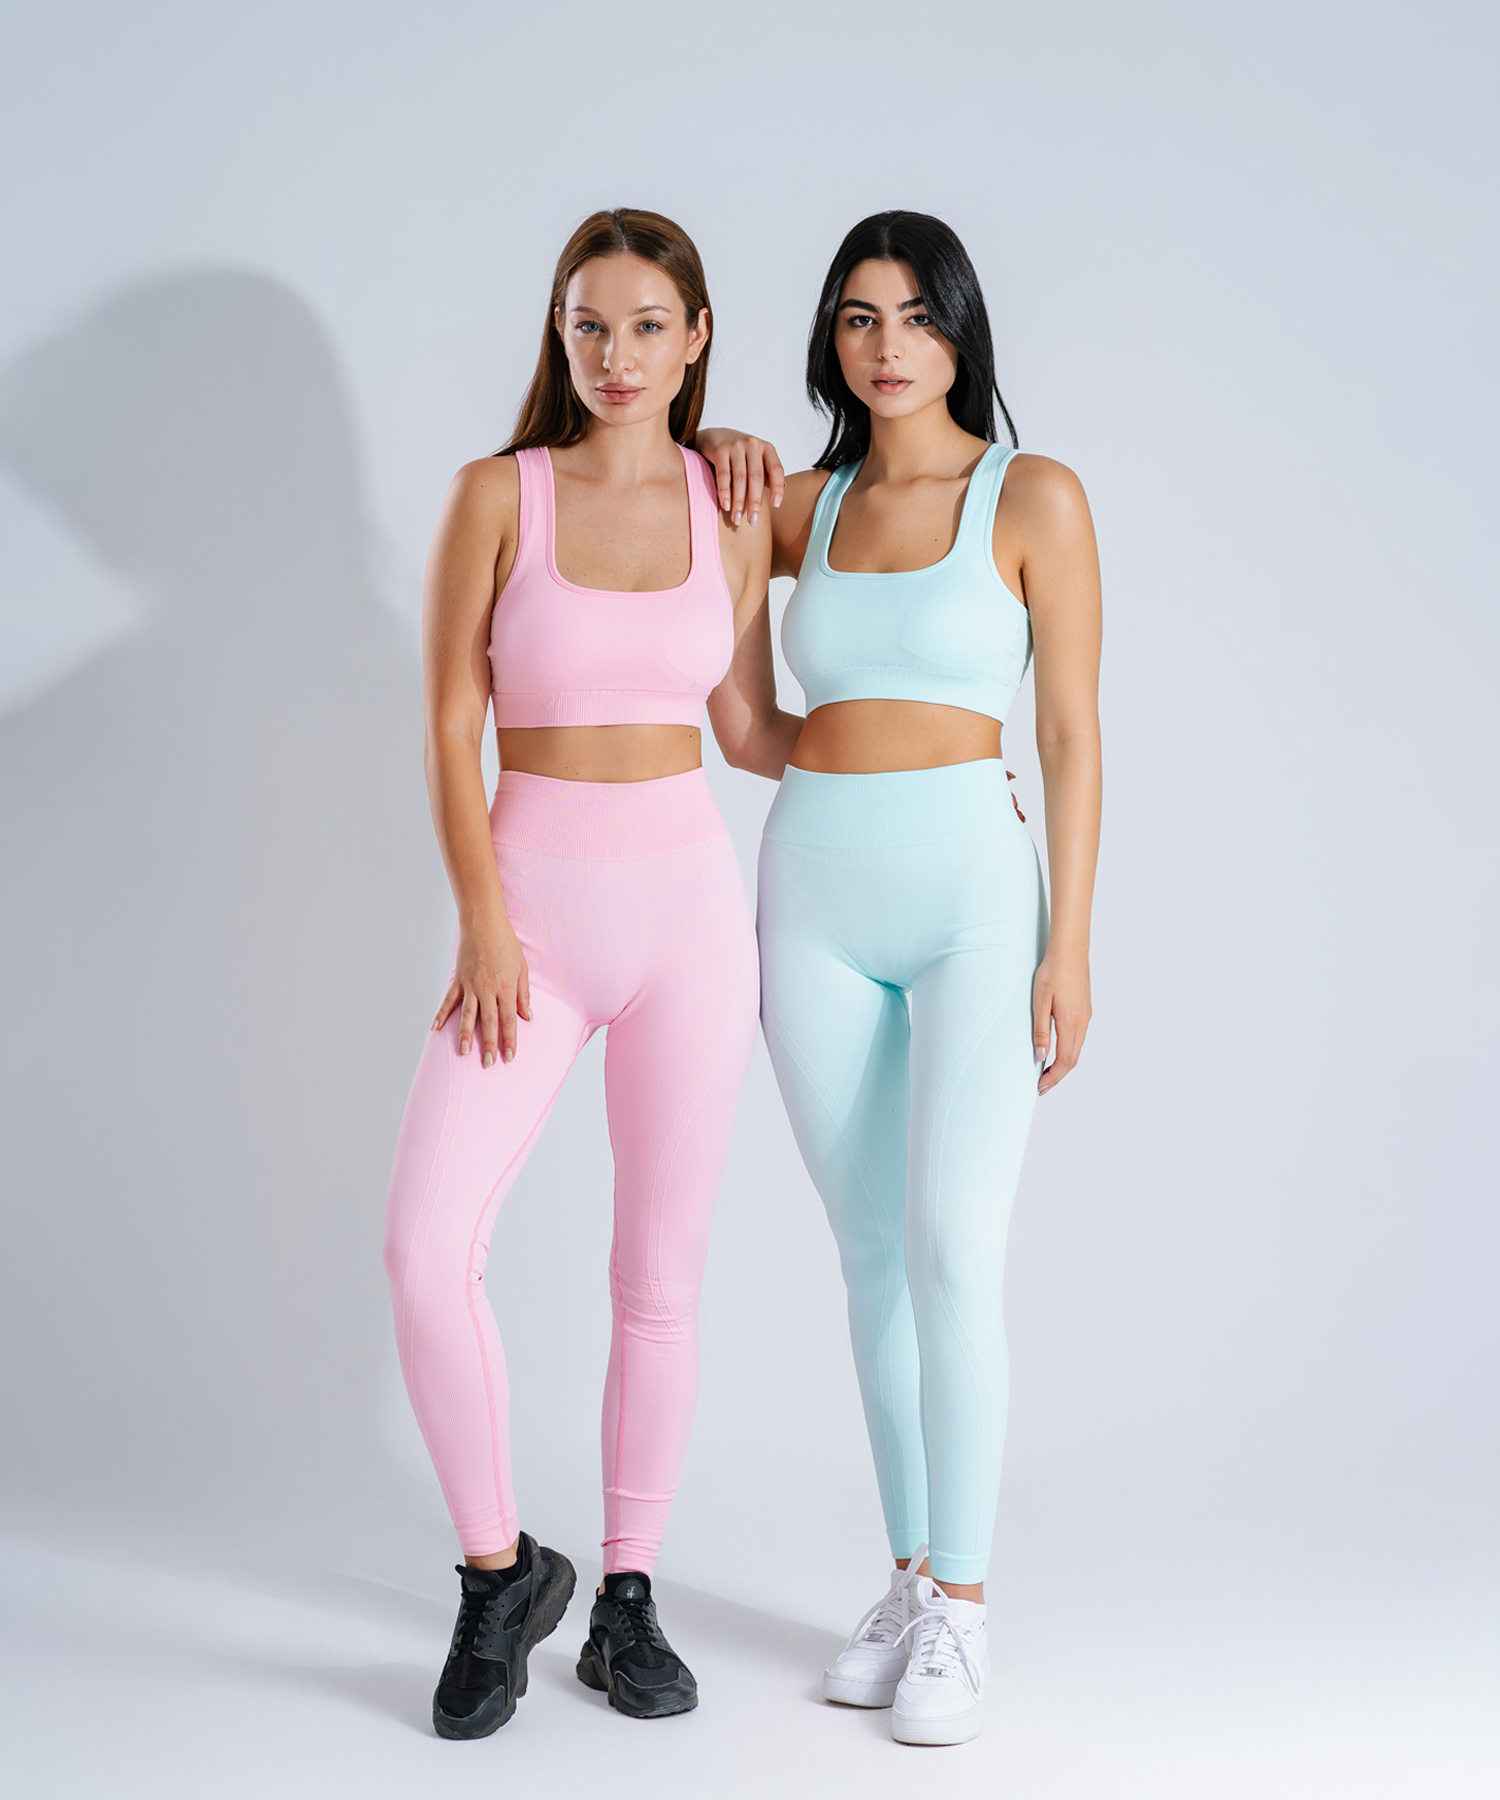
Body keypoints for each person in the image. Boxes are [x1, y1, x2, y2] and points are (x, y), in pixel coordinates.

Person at [384, 209, 799, 1740]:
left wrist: (929, 749)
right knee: (425, 1248)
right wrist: (482, 919)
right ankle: (502, 1574)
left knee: (660, 1279)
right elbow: (449, 724)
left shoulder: (731, 503)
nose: (615, 356)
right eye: (588, 326)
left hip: (689, 918)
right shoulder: (498, 495)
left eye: (646, 326)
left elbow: (749, 731)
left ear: (697, 337)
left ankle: (626, 1600)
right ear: (559, 337)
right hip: (530, 922)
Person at [698, 210, 1102, 1745]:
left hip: (975, 895)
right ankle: (912, 1578)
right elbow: (746, 723)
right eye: (858, 317)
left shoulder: (1032, 494)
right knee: (870, 1254)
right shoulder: (799, 505)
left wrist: (1072, 939)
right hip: (811, 882)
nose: (887, 346)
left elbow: (1069, 734)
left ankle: (970, 1614)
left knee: (951, 1247)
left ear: (961, 332)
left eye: (917, 317)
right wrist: (716, 455)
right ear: (831, 338)